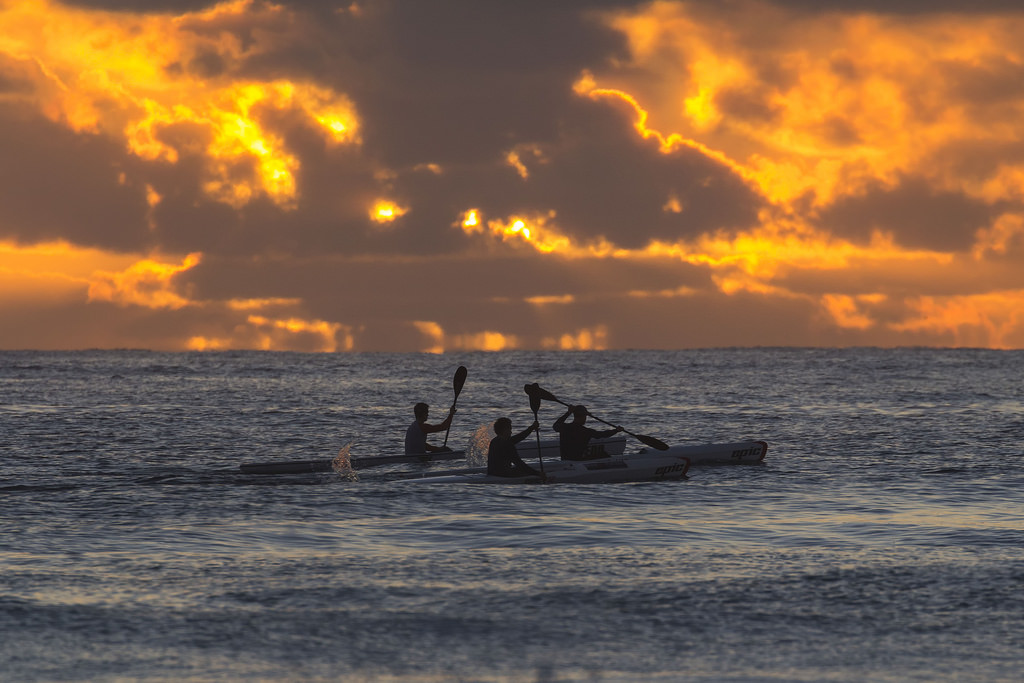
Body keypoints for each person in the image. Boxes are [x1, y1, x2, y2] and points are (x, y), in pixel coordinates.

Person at [552, 405, 623, 461]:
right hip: (578, 460)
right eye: (585, 417)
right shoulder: (586, 431)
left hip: (565, 459)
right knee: (602, 453)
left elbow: (555, 425)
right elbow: (601, 435)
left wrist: (568, 413)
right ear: (583, 417)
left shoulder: (563, 427)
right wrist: (616, 430)